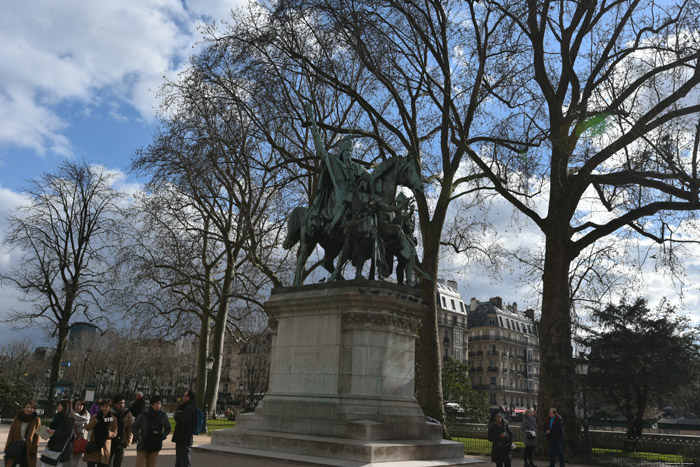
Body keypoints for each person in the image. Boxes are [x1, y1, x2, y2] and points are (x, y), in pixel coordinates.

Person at [131, 396, 170, 467]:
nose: (158, 406)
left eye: (159, 404)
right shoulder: (143, 415)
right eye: (156, 404)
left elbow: (168, 428)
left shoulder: (163, 416)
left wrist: (162, 436)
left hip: (155, 445)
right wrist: (139, 437)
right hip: (143, 445)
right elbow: (134, 427)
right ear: (151, 405)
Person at [4, 400, 41, 467]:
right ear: (23, 408)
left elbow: (37, 436)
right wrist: (7, 447)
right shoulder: (17, 418)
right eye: (27, 407)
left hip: (28, 448)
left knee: (26, 465)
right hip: (16, 446)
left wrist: (34, 449)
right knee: (10, 464)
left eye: (31, 408)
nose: (29, 409)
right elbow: (11, 434)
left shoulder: (36, 420)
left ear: (34, 410)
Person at [82, 398, 117, 467]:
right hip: (94, 445)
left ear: (110, 408)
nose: (104, 408)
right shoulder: (96, 417)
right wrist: (97, 420)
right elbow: (88, 428)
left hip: (104, 447)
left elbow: (115, 432)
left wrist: (108, 433)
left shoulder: (113, 419)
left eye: (106, 407)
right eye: (102, 406)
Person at [42, 399, 74, 467]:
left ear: (64, 406)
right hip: (52, 444)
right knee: (44, 462)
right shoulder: (57, 416)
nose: (57, 406)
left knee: (58, 464)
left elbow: (67, 434)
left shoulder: (69, 419)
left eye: (59, 405)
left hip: (61, 446)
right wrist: (45, 432)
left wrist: (54, 432)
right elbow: (52, 428)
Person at [172, 390, 198, 467]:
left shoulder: (189, 408)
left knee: (184, 461)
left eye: (185, 395)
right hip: (181, 436)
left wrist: (177, 415)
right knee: (180, 461)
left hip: (185, 436)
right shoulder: (184, 406)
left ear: (189, 398)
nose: (183, 397)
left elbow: (183, 421)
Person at [109, 394, 133, 467]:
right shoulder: (109, 413)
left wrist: (128, 440)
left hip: (121, 441)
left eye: (123, 403)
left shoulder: (128, 414)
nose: (122, 405)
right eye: (120, 403)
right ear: (114, 404)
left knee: (118, 461)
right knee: (107, 461)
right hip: (110, 440)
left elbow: (129, 428)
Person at [68, 398, 90, 467]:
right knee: (66, 462)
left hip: (79, 440)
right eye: (77, 404)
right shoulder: (69, 414)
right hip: (69, 439)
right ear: (74, 405)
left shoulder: (87, 416)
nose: (79, 407)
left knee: (74, 463)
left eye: (81, 405)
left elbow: (88, 428)